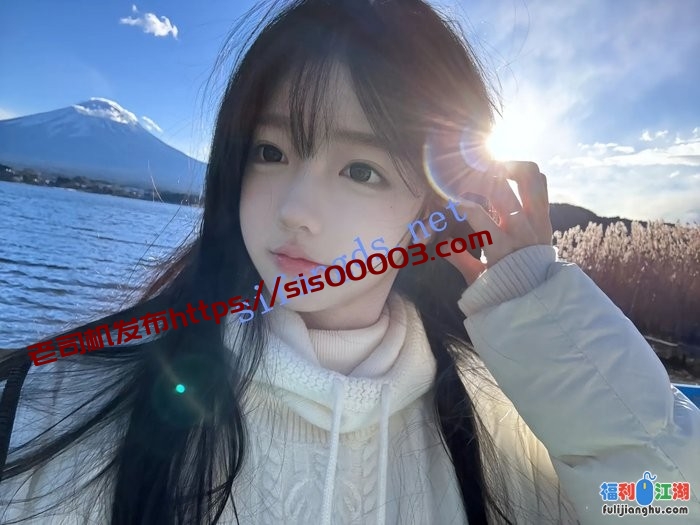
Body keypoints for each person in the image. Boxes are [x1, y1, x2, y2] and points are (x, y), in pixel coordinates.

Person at [1, 0, 698, 523]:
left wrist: (545, 312)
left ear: (436, 207)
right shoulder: (54, 413)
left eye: (362, 170)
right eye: (270, 152)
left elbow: (671, 500)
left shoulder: (513, 430)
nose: (294, 208)